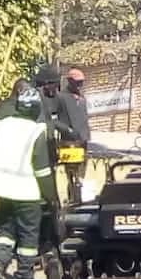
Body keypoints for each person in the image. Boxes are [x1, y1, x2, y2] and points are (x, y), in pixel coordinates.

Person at [0, 86, 57, 279]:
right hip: (27, 192)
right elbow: (42, 170)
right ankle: (24, 277)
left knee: (5, 229)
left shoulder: (0, 126)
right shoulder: (36, 131)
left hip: (2, 189)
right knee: (28, 236)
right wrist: (51, 196)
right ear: (35, 108)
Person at [61, 68, 91, 204]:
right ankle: (72, 196)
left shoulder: (82, 97)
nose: (80, 85)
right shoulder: (62, 97)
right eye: (77, 82)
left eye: (81, 82)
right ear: (70, 81)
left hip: (82, 140)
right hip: (69, 141)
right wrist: (67, 130)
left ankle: (80, 197)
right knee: (71, 172)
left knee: (82, 171)